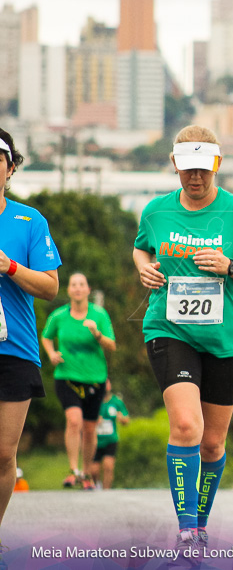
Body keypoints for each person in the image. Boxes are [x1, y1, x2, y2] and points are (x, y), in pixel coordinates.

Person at [133, 125, 233, 559]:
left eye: (203, 169)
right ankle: (186, 533)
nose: (195, 178)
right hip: (169, 329)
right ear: (175, 165)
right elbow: (142, 248)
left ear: (216, 165)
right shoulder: (156, 212)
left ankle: (200, 524)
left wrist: (230, 265)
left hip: (226, 338)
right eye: (186, 169)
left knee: (213, 443)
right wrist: (144, 267)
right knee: (186, 427)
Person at [0, 128, 61, 530]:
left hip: (15, 349)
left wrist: (11, 267)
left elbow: (51, 286)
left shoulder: (28, 220)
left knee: (4, 454)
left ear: (10, 168)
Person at [40, 272, 116, 490]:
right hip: (67, 377)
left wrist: (97, 334)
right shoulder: (58, 316)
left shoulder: (99, 315)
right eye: (74, 285)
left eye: (82, 284)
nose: (78, 288)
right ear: (69, 290)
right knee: (74, 421)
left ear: (88, 290)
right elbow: (46, 336)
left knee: (90, 429)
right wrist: (52, 353)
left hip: (95, 378)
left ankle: (86, 472)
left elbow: (112, 346)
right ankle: (73, 470)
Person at [90, 379, 130, 490]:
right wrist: (95, 420)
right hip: (95, 440)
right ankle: (96, 486)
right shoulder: (93, 401)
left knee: (108, 466)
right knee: (94, 470)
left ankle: (106, 491)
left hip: (110, 440)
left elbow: (127, 420)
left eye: (107, 383)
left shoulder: (116, 402)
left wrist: (121, 418)